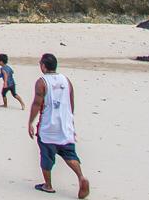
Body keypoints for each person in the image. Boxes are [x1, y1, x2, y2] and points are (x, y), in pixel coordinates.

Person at [28, 53, 89, 198]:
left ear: (43, 66)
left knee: (46, 156)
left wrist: (30, 122)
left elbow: (37, 104)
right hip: (65, 126)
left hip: (49, 127)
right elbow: (71, 103)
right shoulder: (66, 80)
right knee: (69, 154)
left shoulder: (42, 82)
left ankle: (48, 185)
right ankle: (81, 177)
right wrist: (70, 121)